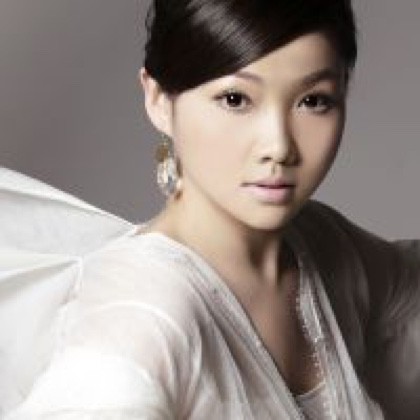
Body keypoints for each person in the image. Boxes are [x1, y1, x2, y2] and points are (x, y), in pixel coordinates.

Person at [1, 0, 420, 419]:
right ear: (159, 100)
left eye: (313, 101)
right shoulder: (143, 313)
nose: (278, 146)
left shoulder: (322, 242)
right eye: (235, 99)